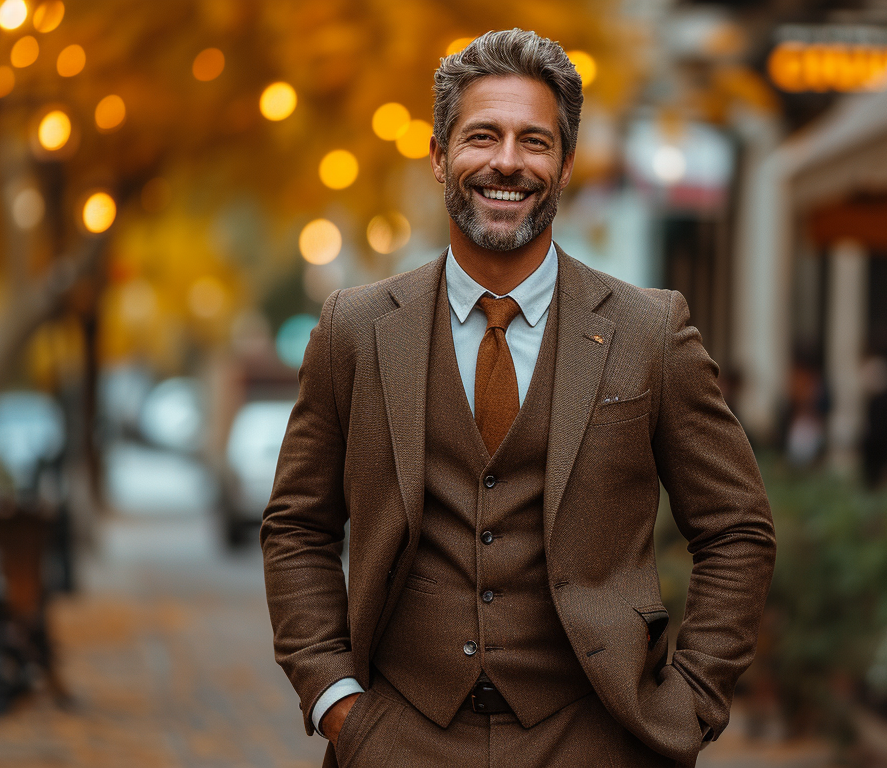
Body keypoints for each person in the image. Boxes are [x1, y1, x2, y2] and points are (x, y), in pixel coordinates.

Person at [261, 29, 775, 767]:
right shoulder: (356, 329)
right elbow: (297, 527)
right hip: (398, 741)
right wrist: (337, 702)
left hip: (593, 737)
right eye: (482, 136)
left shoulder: (648, 331)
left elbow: (737, 531)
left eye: (535, 141)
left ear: (564, 165)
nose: (507, 161)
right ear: (440, 156)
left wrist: (686, 705)